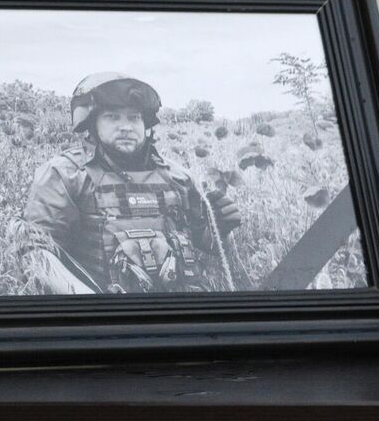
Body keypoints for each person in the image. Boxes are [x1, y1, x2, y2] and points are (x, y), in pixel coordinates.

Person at [13, 72, 243, 294]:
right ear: (91, 124)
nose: (126, 126)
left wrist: (220, 231)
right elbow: (36, 254)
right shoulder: (66, 175)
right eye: (112, 116)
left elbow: (212, 249)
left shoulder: (178, 176)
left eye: (134, 117)